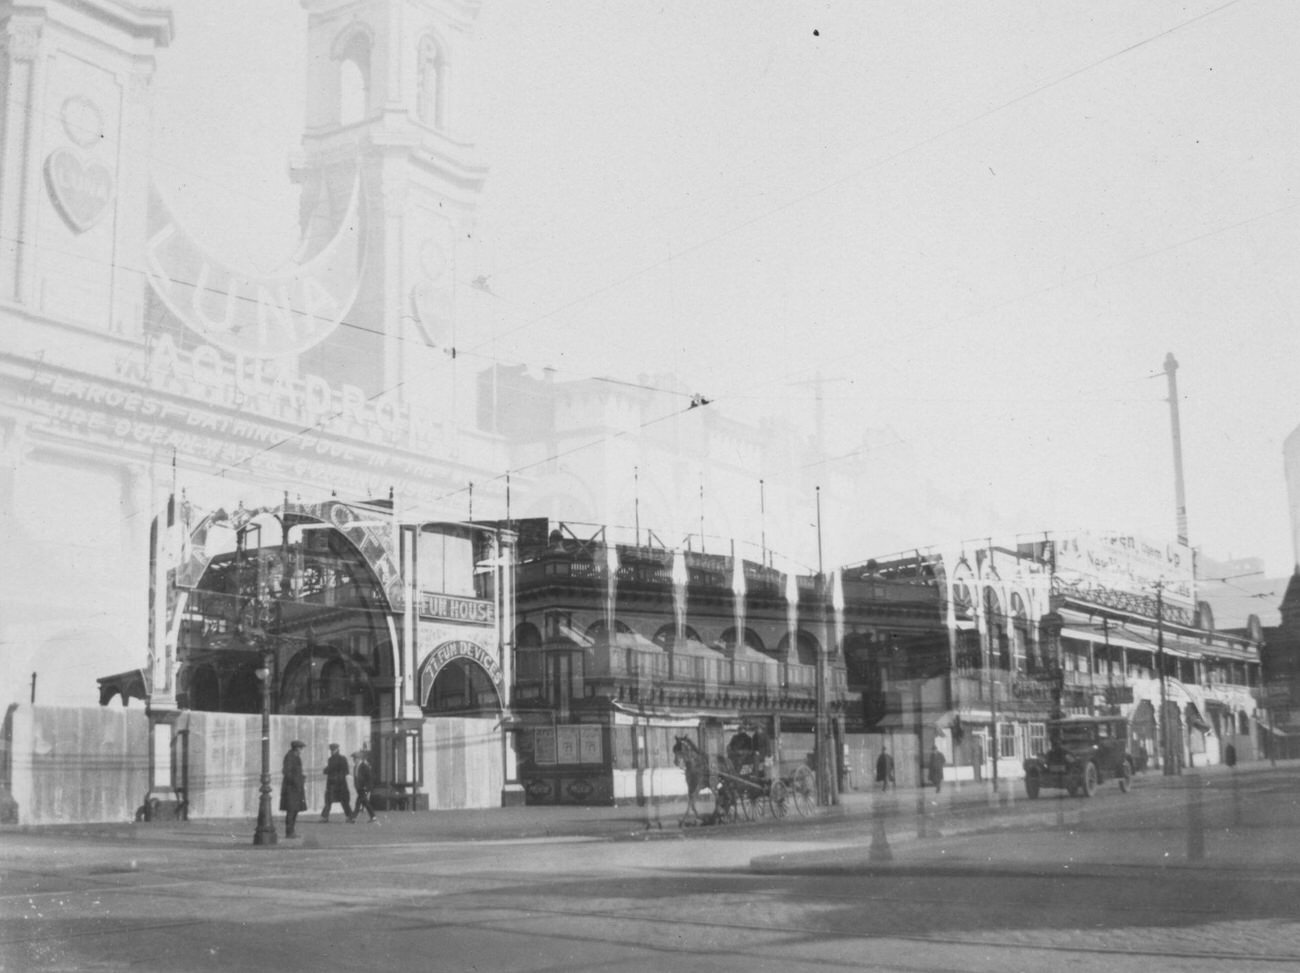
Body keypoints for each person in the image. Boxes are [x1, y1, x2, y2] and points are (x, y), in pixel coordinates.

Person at [280, 740, 306, 838]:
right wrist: (296, 781)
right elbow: (287, 772)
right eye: (301, 748)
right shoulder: (290, 757)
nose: (301, 750)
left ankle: (292, 831)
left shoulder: (296, 757)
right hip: (290, 788)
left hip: (296, 788)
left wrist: (302, 777)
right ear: (296, 748)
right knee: (291, 810)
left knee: (295, 810)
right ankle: (289, 832)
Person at [320, 743, 353, 823]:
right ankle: (350, 817)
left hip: (336, 784)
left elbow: (331, 769)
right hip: (337, 784)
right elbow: (346, 771)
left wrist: (328, 771)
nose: (332, 751)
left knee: (335, 801)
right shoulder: (336, 759)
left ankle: (325, 817)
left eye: (333, 750)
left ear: (337, 749)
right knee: (335, 801)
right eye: (331, 750)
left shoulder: (336, 759)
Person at [351, 748, 376, 823]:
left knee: (358, 803)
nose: (354, 760)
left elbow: (369, 778)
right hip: (359, 788)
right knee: (365, 803)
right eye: (353, 759)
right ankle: (373, 817)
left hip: (364, 788)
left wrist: (367, 787)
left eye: (355, 758)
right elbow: (356, 778)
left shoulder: (364, 766)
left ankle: (353, 818)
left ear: (359, 758)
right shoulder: (355, 767)